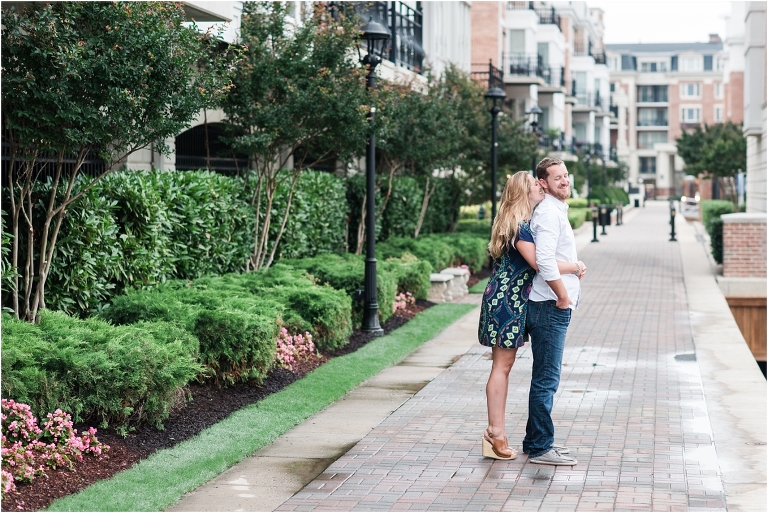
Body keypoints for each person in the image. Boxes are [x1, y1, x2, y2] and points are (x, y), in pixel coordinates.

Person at [478, 171, 585, 460]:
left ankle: (495, 433)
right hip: (507, 301)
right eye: (534, 185)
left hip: (508, 298)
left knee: (503, 365)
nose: (539, 187)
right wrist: (574, 266)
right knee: (502, 366)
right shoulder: (518, 226)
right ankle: (494, 433)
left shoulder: (516, 223)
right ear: (522, 192)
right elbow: (541, 263)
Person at [523, 157, 586, 466]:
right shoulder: (548, 213)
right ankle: (540, 448)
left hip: (550, 304)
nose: (565, 181)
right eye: (557, 177)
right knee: (547, 380)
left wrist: (573, 270)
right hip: (549, 305)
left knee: (544, 377)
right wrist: (562, 296)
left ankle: (535, 440)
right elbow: (544, 261)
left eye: (566, 175)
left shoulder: (555, 210)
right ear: (543, 183)